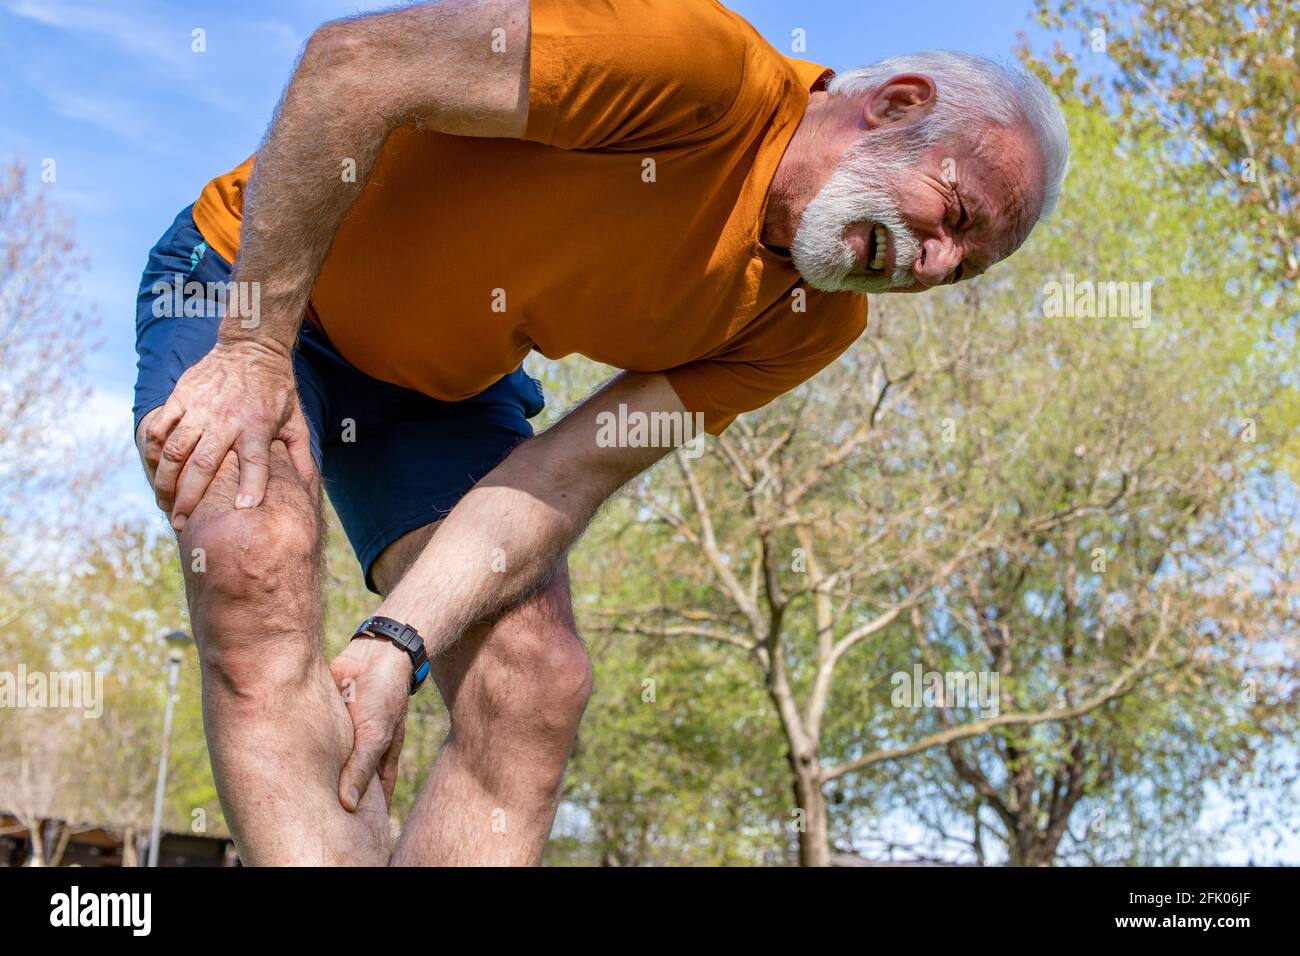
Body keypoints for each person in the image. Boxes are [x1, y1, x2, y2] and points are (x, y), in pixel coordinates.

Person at [133, 0, 1067, 864]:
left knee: (533, 681)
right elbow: (351, 66)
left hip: (438, 388)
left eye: (959, 271)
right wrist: (254, 347)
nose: (933, 266)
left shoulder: (811, 323)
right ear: (896, 105)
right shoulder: (701, 70)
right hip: (246, 277)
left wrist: (396, 642)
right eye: (952, 216)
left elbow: (567, 476)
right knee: (249, 550)